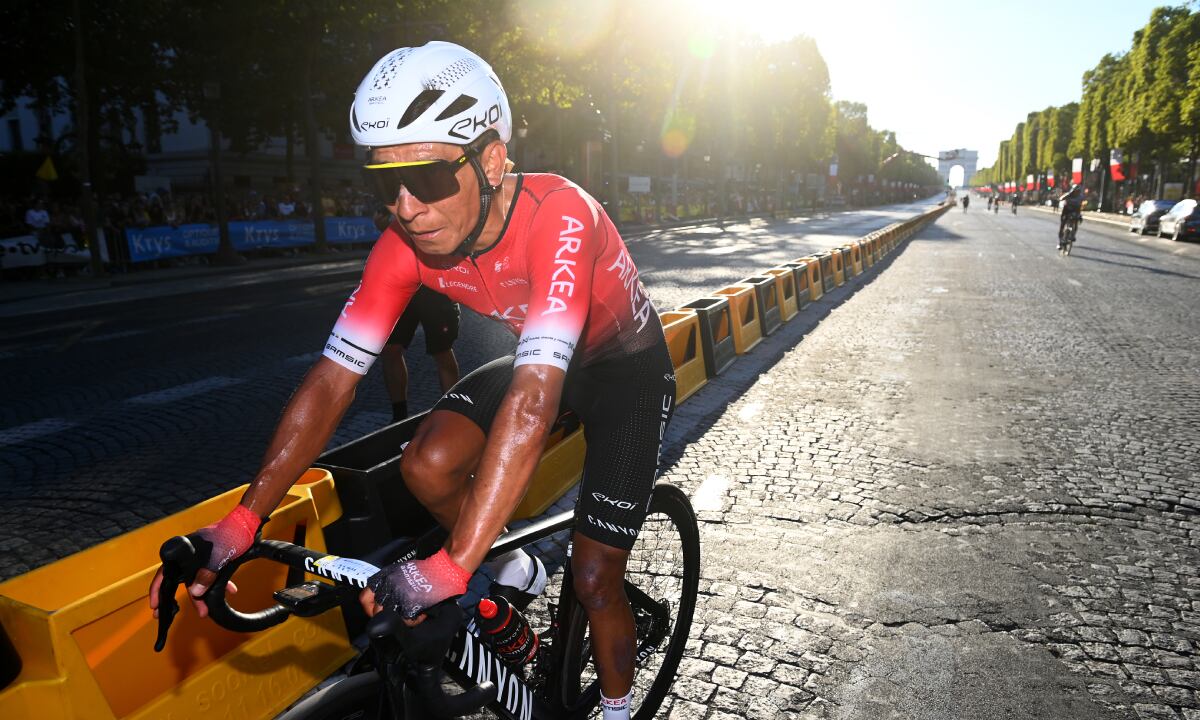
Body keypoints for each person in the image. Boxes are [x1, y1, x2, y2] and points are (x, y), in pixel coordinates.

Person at [149, 41, 676, 720]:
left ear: (491, 158)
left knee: (597, 576)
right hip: (545, 360)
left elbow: (534, 399)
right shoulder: (402, 246)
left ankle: (617, 707)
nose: (404, 205)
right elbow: (333, 379)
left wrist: (452, 568)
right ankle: (517, 566)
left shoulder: (559, 214)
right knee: (425, 467)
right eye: (382, 183)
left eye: (425, 178)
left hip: (624, 372)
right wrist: (245, 519)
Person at [374, 202, 462, 422]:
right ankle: (399, 416)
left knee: (441, 350)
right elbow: (380, 221)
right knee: (390, 349)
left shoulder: (430, 188)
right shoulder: (392, 192)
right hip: (400, 282)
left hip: (433, 283)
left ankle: (452, 414)